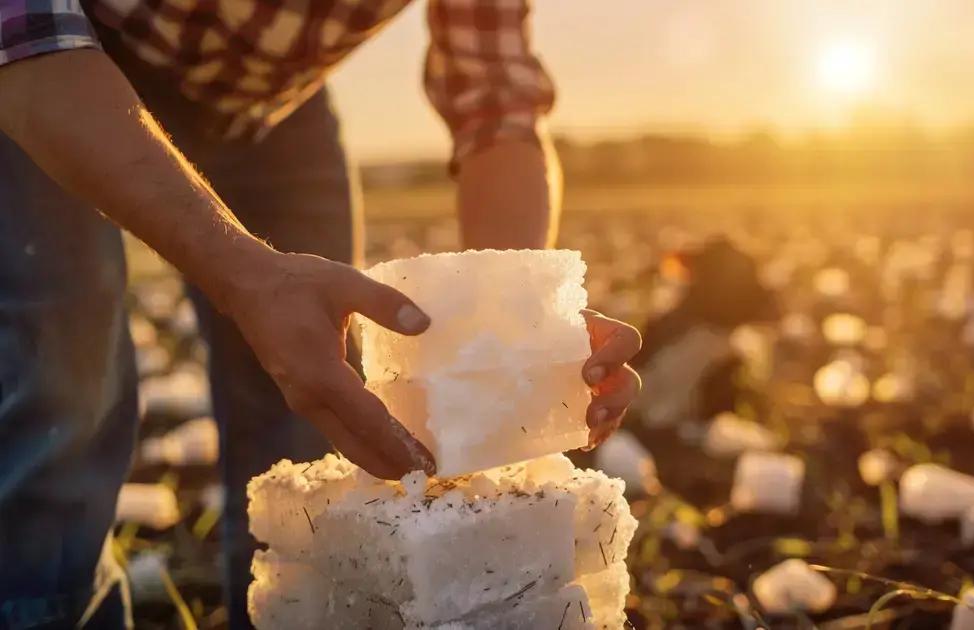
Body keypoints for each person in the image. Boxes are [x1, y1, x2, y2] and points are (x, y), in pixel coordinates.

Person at [0, 0, 643, 626]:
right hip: (59, 61)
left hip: (272, 103)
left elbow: (496, 103)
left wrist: (518, 334)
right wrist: (245, 275)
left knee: (315, 402)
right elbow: (28, 33)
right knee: (62, 382)